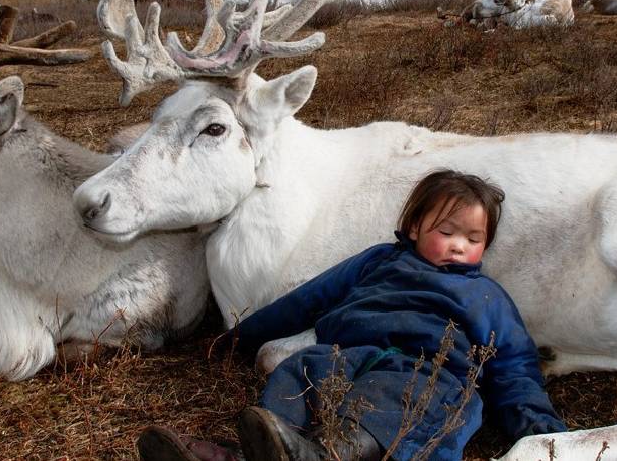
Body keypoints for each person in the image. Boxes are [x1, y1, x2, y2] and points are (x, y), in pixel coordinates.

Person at [139, 170, 565, 461]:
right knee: (299, 370)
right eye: (447, 231)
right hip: (345, 355)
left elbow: (514, 368)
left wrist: (543, 434)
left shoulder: (486, 296)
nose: (458, 245)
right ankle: (259, 450)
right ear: (414, 227)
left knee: (399, 395)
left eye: (473, 238)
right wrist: (236, 339)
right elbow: (308, 300)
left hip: (427, 373)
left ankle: (325, 455)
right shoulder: (378, 261)